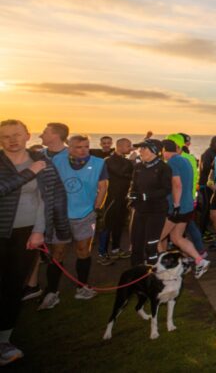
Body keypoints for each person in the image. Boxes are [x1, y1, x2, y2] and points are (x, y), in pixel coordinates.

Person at [0, 119, 70, 367]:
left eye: (17, 134)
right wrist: (30, 173)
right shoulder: (20, 164)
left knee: (12, 287)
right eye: (6, 136)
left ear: (27, 135)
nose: (12, 140)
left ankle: (4, 341)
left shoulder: (43, 163)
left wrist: (41, 231)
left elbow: (49, 198)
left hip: (27, 234)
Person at [41, 134, 108, 307]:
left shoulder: (98, 163)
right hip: (61, 214)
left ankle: (82, 287)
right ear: (69, 148)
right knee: (58, 253)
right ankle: (52, 291)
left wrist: (96, 208)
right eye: (78, 147)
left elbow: (103, 187)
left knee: (83, 250)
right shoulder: (58, 160)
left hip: (85, 214)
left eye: (86, 146)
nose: (83, 150)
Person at [160, 140, 210, 278]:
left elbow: (177, 184)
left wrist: (175, 205)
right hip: (187, 205)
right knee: (176, 238)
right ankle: (199, 261)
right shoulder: (185, 160)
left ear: (164, 150)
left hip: (177, 207)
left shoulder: (171, 163)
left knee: (157, 238)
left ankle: (166, 271)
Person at [127, 139, 171, 266]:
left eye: (144, 148)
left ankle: (152, 272)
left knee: (151, 244)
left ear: (155, 151)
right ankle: (135, 272)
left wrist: (145, 196)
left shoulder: (164, 168)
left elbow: (166, 189)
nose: (140, 151)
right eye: (140, 148)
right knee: (136, 242)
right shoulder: (138, 167)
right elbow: (134, 185)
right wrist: (131, 195)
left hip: (156, 211)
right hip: (140, 210)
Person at [96, 138, 134, 265]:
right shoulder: (109, 161)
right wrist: (132, 161)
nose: (131, 148)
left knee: (119, 224)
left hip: (122, 198)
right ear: (120, 146)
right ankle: (102, 253)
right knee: (107, 225)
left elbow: (131, 174)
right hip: (111, 198)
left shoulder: (125, 161)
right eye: (128, 146)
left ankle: (116, 249)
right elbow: (122, 173)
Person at [197, 135, 216, 241]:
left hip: (210, 184)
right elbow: (206, 169)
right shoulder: (208, 153)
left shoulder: (213, 152)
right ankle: (201, 233)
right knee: (206, 208)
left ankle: (205, 229)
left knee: (209, 208)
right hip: (205, 184)